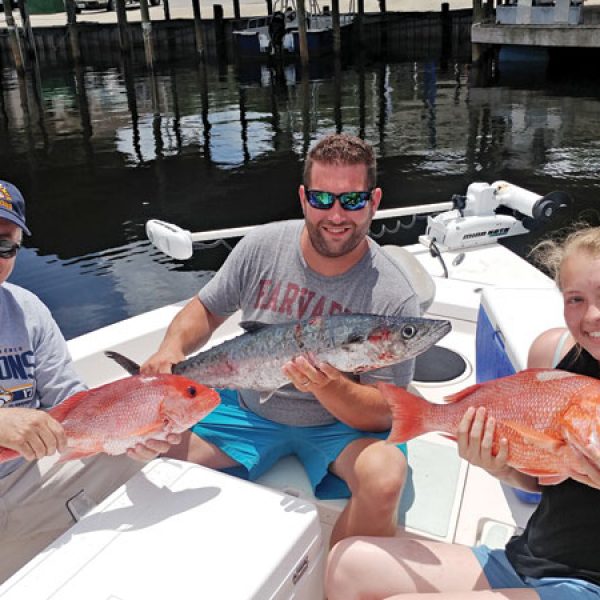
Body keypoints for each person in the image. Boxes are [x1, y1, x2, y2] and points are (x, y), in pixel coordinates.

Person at [142, 133, 420, 546]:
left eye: (353, 200)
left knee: (385, 479)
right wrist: (171, 350)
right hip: (249, 409)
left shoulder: (393, 294)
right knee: (143, 443)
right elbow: (207, 308)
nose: (337, 214)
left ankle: (340, 582)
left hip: (339, 428)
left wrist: (328, 387)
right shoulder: (262, 246)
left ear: (374, 201)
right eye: (323, 199)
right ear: (304, 198)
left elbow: (384, 413)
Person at [325, 225, 600, 599]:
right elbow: (539, 481)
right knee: (349, 564)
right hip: (530, 558)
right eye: (575, 299)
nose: (591, 316)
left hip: (587, 585)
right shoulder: (553, 356)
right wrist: (498, 465)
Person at [0, 180, 180, 583]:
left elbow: (73, 402)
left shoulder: (27, 310)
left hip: (29, 474)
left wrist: (132, 434)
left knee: (141, 452)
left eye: (5, 245)